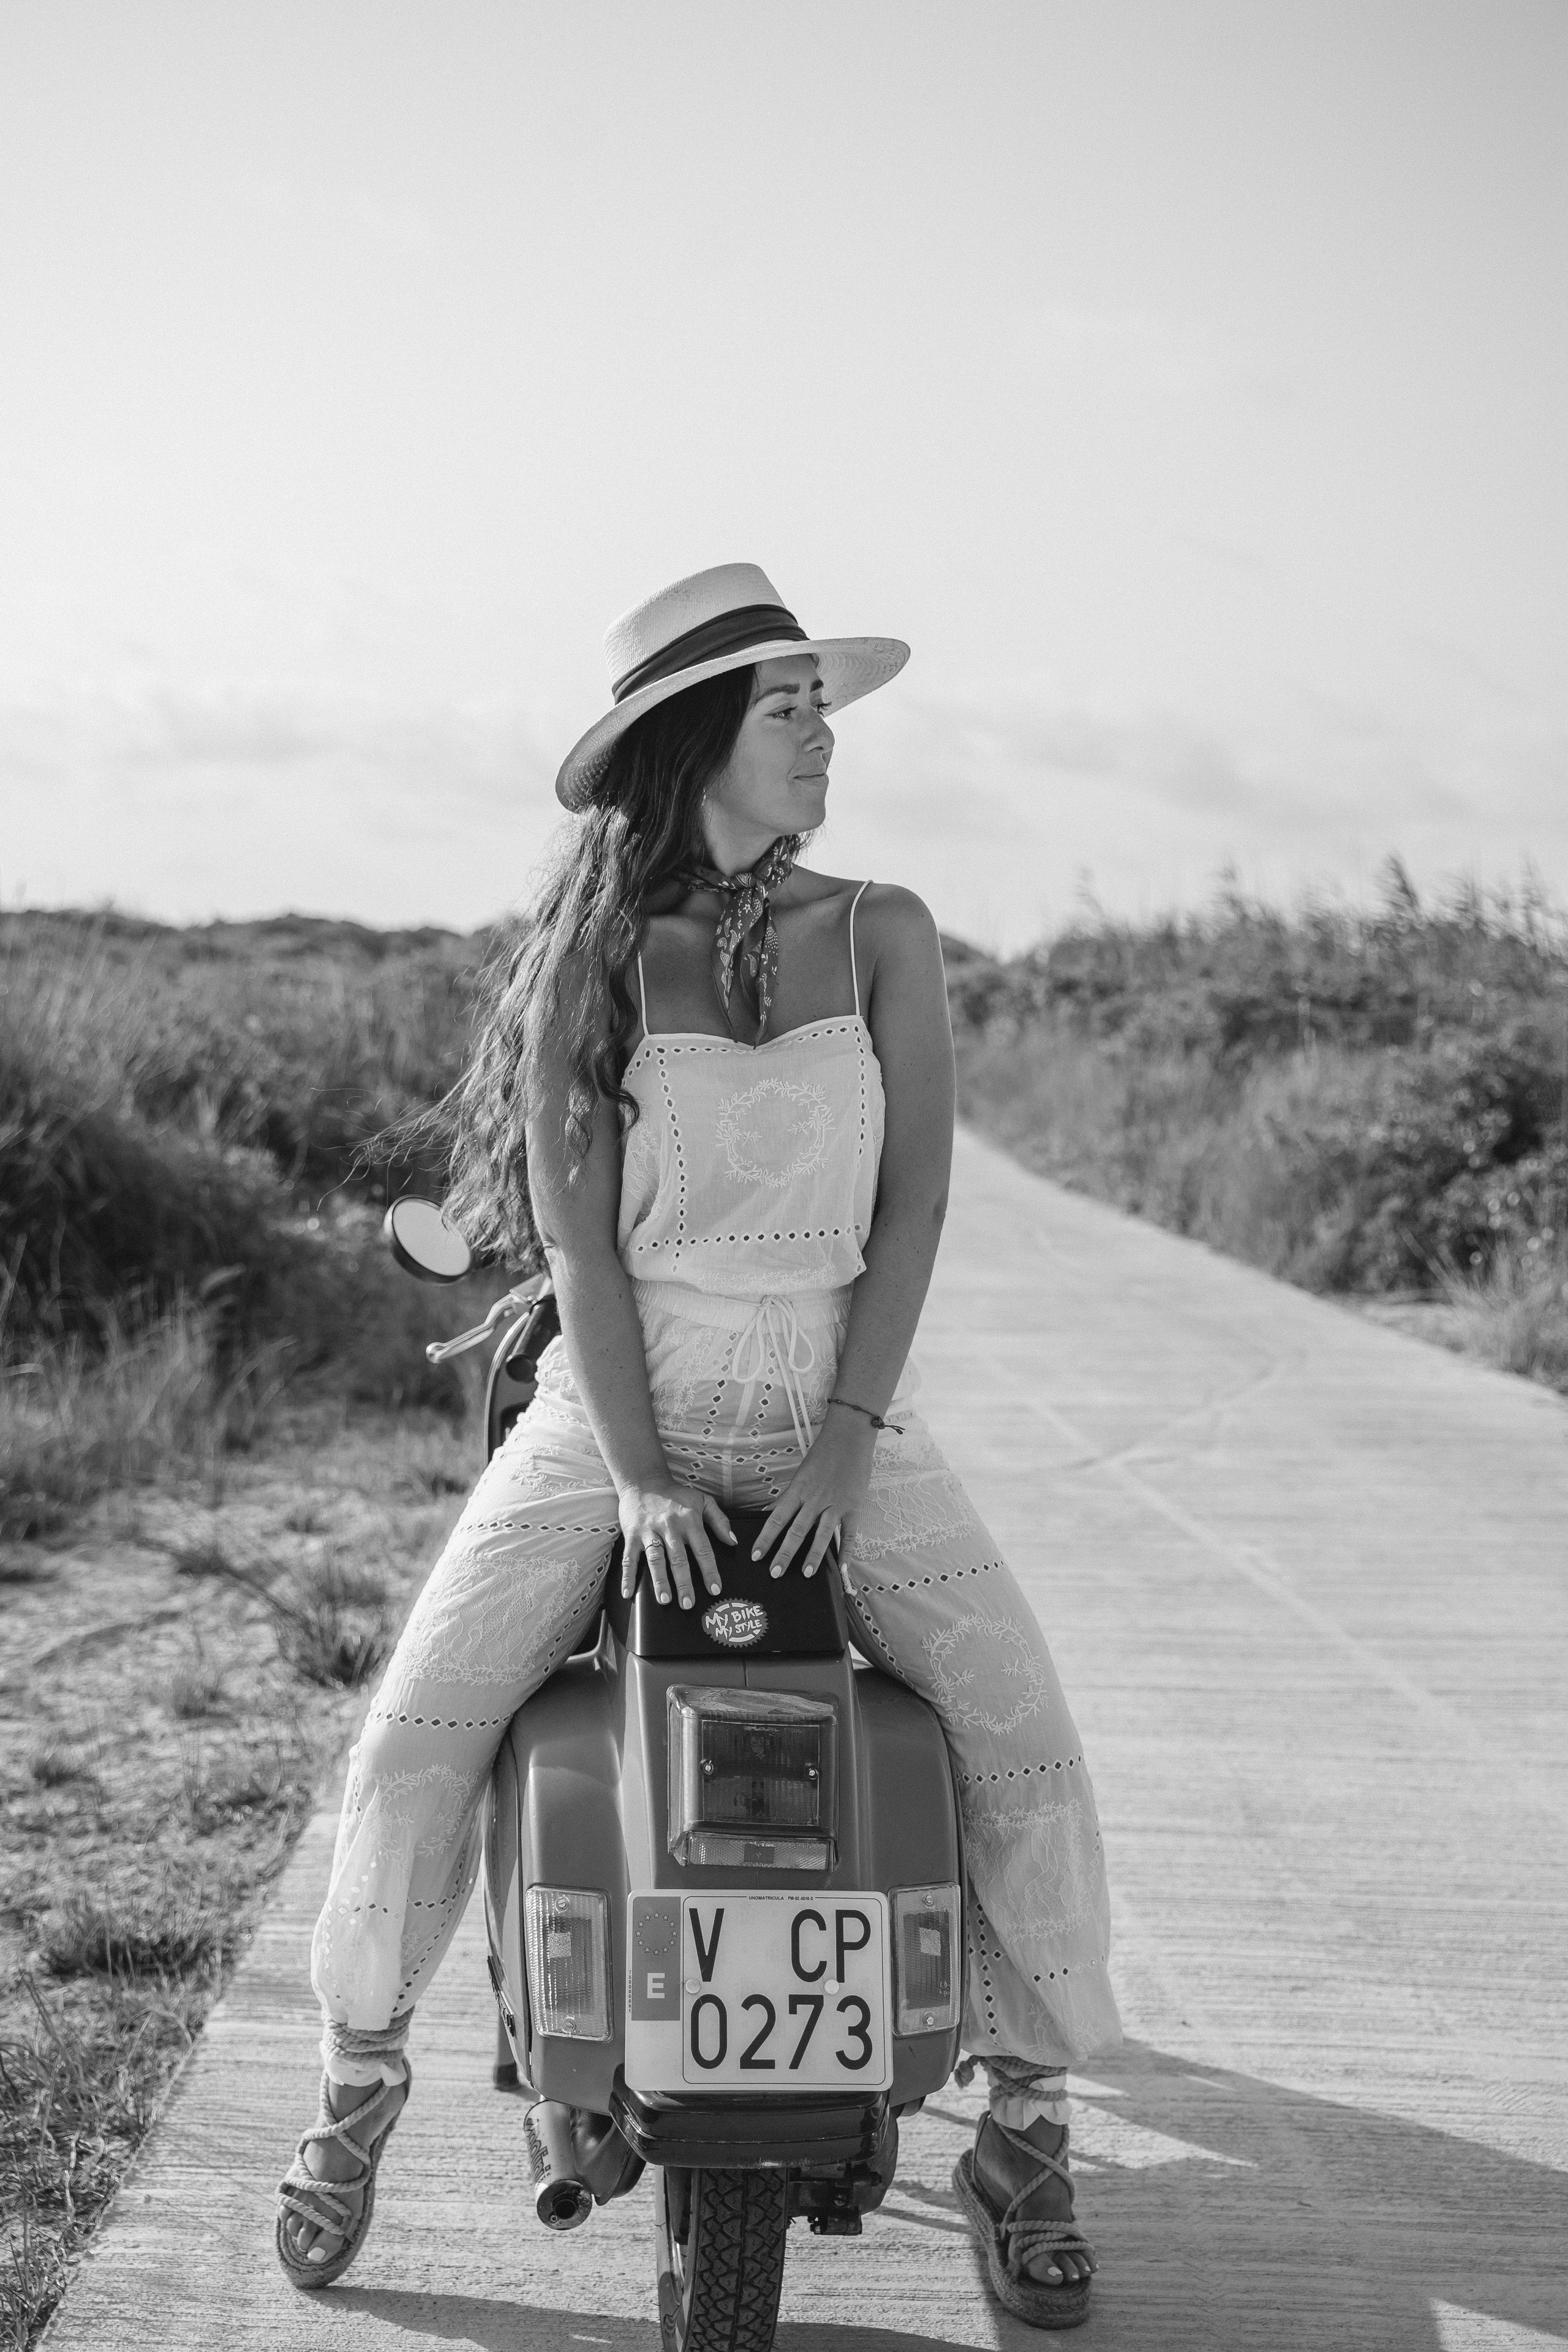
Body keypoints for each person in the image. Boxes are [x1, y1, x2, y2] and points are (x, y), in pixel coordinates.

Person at [275, 563, 1122, 2325]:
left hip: (834, 1399)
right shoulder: (593, 952)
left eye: (824, 701)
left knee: (1023, 1740)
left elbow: (917, 1202)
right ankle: (357, 2081)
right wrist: (645, 1474)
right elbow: (583, 1250)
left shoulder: (883, 925)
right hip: (619, 1410)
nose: (825, 734)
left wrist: (844, 1444)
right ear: (696, 741)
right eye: (789, 703)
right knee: (421, 1728)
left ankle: (1023, 2125)